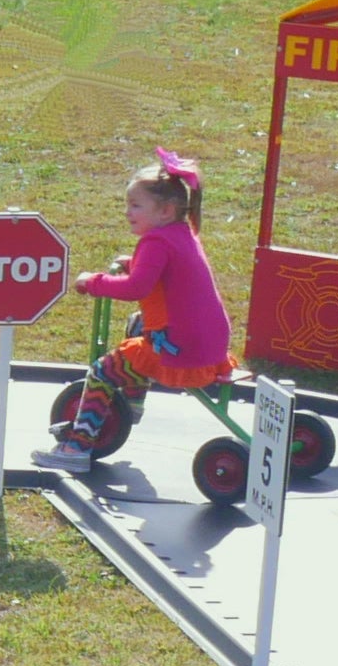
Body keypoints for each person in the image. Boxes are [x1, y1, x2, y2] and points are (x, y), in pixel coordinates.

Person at [43, 150, 233, 460]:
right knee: (137, 323)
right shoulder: (181, 233)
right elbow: (168, 274)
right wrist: (135, 262)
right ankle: (131, 404)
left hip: (181, 349)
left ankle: (76, 447)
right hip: (209, 342)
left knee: (102, 371)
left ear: (165, 210)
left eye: (135, 205)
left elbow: (137, 287)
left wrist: (94, 283)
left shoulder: (156, 242)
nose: (127, 212)